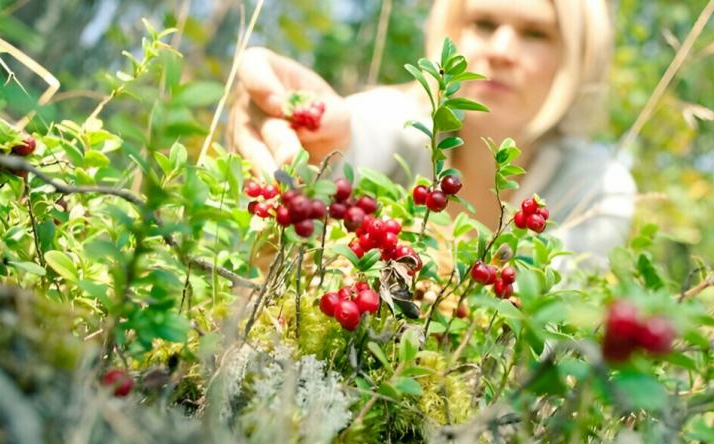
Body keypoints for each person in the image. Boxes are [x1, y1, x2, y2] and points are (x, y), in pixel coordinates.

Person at [229, 0, 636, 268]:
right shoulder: (399, 120)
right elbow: (345, 144)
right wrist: (308, 140)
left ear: (577, 57)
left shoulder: (596, 187)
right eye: (483, 23)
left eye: (536, 34)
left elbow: (546, 332)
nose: (501, 50)